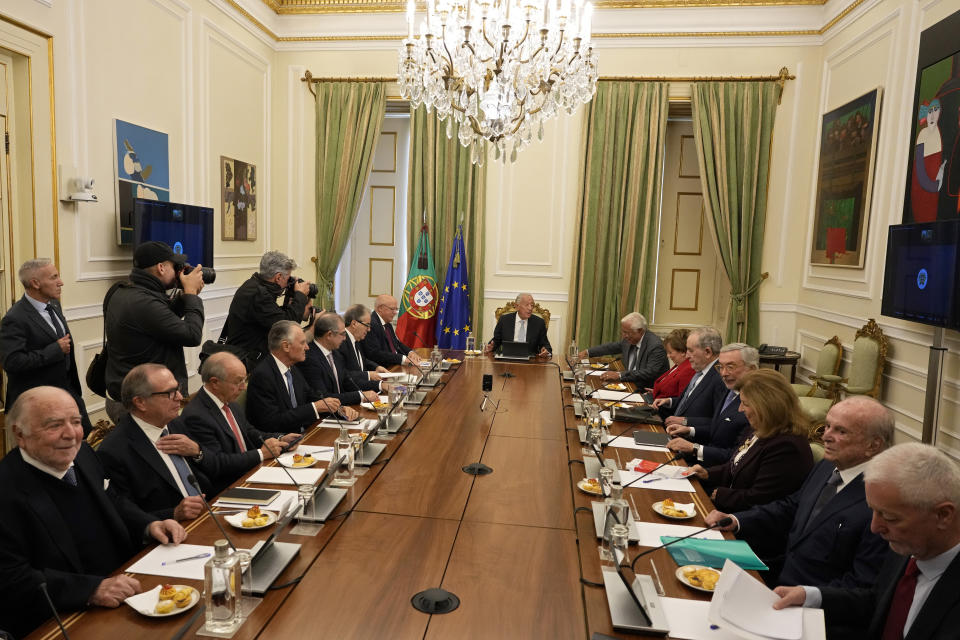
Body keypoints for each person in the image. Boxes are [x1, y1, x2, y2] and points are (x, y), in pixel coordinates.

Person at [0, 387, 186, 639]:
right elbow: (12, 578)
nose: (71, 434)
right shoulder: (7, 488)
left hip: (129, 589)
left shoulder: (84, 455)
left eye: (76, 422)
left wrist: (149, 525)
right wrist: (91, 590)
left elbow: (114, 500)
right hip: (63, 618)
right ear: (20, 434)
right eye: (54, 425)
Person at [772, 442, 960, 640]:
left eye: (889, 517)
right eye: (873, 511)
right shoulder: (910, 545)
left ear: (943, 515)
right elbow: (876, 601)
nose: (875, 528)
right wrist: (811, 596)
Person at [706, 396, 892, 589]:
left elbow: (863, 585)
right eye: (828, 426)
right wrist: (736, 520)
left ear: (873, 445)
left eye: (841, 431)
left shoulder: (882, 500)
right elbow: (792, 507)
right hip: (778, 576)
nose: (825, 436)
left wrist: (807, 596)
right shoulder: (827, 466)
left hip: (812, 605)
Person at [104, 240, 205, 421]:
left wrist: (183, 296)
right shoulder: (143, 302)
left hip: (126, 392)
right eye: (175, 266)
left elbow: (160, 322)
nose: (178, 272)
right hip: (142, 404)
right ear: (161, 267)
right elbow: (192, 335)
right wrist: (191, 295)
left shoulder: (124, 291)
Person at [687, 368, 814, 512]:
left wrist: (721, 495)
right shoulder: (761, 427)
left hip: (747, 522)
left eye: (745, 404)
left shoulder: (787, 446)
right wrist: (707, 473)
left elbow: (762, 498)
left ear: (767, 406)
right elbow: (735, 465)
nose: (740, 409)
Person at [97, 364, 211, 521]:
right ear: (140, 402)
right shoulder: (114, 451)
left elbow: (210, 471)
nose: (179, 396)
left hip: (208, 513)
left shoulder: (174, 423)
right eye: (170, 393)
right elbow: (123, 516)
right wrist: (174, 514)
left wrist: (198, 452)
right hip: (170, 534)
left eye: (178, 389)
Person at [180, 352, 301, 495]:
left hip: (253, 472)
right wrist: (261, 453)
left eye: (245, 380)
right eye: (238, 382)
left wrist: (280, 438)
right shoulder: (196, 416)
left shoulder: (230, 402)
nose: (243, 387)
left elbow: (249, 432)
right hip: (230, 487)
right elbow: (218, 463)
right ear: (215, 383)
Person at [0, 258, 93, 435]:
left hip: (68, 393)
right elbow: (12, 362)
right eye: (54, 277)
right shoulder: (15, 318)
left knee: (85, 443)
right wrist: (55, 351)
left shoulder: (54, 305)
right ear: (36, 283)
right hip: (38, 406)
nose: (61, 282)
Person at [246, 320, 359, 433]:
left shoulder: (293, 369)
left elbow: (310, 396)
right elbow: (272, 421)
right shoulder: (263, 375)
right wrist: (315, 407)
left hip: (305, 434)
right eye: (302, 343)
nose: (307, 347)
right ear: (286, 346)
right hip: (283, 442)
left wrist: (337, 409)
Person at [665, 343, 756, 466]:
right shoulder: (730, 390)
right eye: (721, 367)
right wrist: (690, 430)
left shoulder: (756, 404)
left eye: (730, 367)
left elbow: (736, 456)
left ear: (752, 369)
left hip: (717, 472)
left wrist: (695, 448)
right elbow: (719, 428)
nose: (724, 373)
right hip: (704, 464)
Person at [221, 250, 314, 364]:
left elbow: (274, 317)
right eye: (288, 278)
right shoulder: (258, 294)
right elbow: (286, 327)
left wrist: (291, 301)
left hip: (246, 354)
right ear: (278, 277)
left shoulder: (253, 285)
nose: (288, 283)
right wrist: (300, 295)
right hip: (246, 362)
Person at [298, 312, 381, 405]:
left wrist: (380, 385)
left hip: (342, 409)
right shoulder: (310, 359)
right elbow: (323, 397)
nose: (345, 338)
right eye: (342, 334)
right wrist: (361, 396)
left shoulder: (335, 354)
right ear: (329, 335)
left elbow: (348, 381)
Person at [651, 326, 726, 421]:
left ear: (707, 352)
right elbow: (687, 401)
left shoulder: (720, 378)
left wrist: (685, 423)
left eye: (690, 350)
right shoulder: (700, 368)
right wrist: (668, 401)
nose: (686, 355)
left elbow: (717, 421)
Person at [576, 312, 669, 388]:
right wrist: (588, 352)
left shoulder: (655, 346)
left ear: (640, 331)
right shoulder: (629, 339)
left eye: (626, 332)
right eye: (623, 331)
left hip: (645, 390)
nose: (624, 336)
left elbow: (649, 372)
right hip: (628, 383)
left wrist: (620, 375)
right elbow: (611, 347)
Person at [338, 303, 391, 388]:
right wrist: (368, 375)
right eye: (367, 325)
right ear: (354, 324)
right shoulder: (341, 343)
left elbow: (361, 360)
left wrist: (376, 367)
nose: (369, 329)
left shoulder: (356, 339)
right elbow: (343, 375)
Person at [485, 293, 551, 358]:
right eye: (527, 305)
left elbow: (546, 345)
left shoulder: (539, 323)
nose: (530, 308)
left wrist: (546, 350)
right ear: (517, 306)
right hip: (508, 359)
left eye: (532, 305)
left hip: (530, 362)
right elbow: (496, 340)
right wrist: (491, 347)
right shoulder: (504, 320)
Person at [365, 294, 423, 367]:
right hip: (382, 369)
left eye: (396, 309)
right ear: (380, 308)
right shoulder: (371, 324)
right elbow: (375, 353)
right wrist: (403, 359)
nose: (395, 312)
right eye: (392, 309)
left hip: (394, 365)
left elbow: (396, 343)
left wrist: (410, 352)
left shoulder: (386, 323)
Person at [647, 328, 696, 400]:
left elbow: (681, 400)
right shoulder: (679, 364)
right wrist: (655, 392)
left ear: (682, 351)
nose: (668, 356)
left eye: (670, 352)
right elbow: (670, 389)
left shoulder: (688, 370)